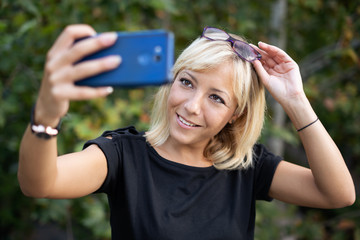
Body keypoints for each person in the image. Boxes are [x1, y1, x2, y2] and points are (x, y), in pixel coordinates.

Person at [18, 24, 355, 239]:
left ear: (235, 115)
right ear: (171, 80)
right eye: (186, 82)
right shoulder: (123, 155)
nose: (192, 105)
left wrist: (296, 101)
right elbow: (39, 183)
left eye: (216, 98)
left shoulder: (246, 168)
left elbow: (338, 194)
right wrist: (46, 114)